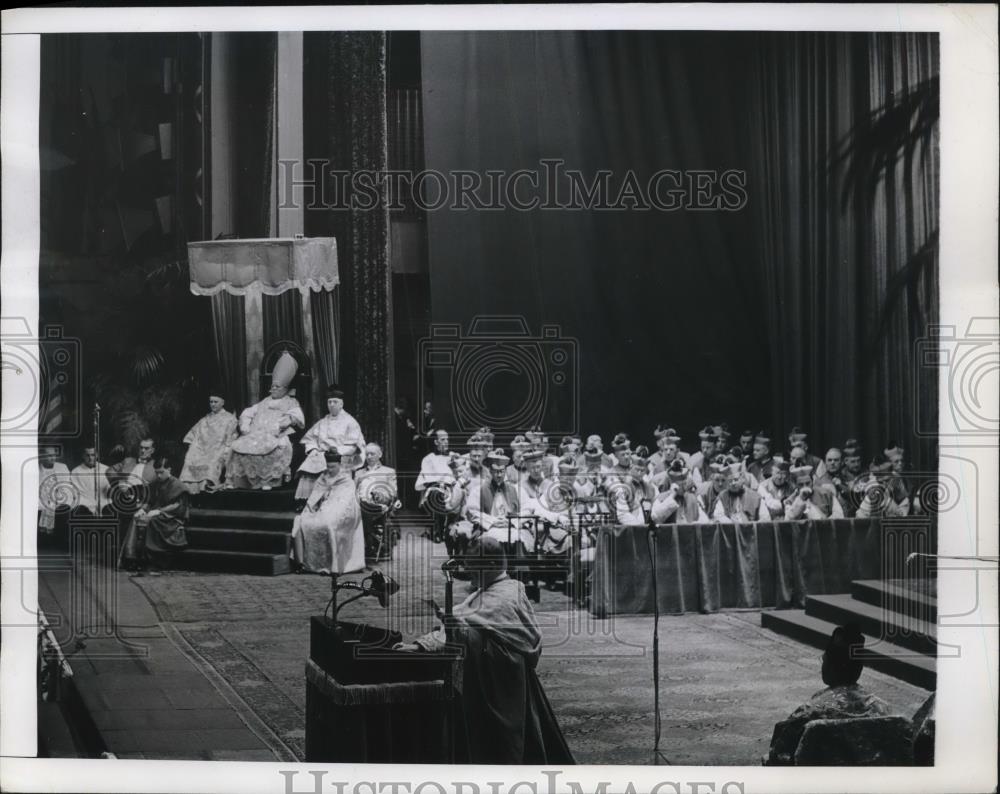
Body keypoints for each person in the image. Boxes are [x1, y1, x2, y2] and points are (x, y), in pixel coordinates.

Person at [393, 535, 575, 764]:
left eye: (471, 565)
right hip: (498, 677)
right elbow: (462, 622)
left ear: (490, 565)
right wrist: (424, 643)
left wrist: (433, 640)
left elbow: (467, 629)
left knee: (502, 744)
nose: (467, 571)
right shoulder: (496, 588)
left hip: (501, 682)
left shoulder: (502, 598)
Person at [766, 623, 893, 765]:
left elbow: (778, 753)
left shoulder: (811, 711)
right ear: (859, 668)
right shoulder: (883, 710)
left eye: (825, 659)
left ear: (830, 665)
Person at [227, 352, 305, 491]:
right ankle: (241, 482)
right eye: (272, 386)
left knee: (274, 449)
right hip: (255, 434)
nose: (273, 389)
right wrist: (245, 424)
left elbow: (295, 416)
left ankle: (267, 480)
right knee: (238, 448)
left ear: (285, 389)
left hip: (276, 434)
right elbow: (248, 412)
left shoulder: (291, 401)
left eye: (277, 387)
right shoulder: (265, 401)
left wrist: (282, 424)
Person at [291, 450, 365, 574]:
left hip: (341, 512)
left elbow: (346, 501)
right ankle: (303, 564)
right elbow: (315, 494)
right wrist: (311, 506)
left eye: (333, 467)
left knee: (329, 524)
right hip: (322, 509)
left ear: (339, 465)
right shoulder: (323, 477)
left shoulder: (346, 480)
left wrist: (332, 510)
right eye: (328, 467)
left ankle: (332, 565)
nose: (330, 470)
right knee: (300, 522)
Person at [119, 457, 189, 572]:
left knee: (150, 521)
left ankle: (152, 560)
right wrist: (142, 509)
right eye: (157, 473)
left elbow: (178, 506)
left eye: (161, 472)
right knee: (136, 518)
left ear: (169, 470)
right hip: (156, 514)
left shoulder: (179, 486)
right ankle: (131, 557)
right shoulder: (154, 484)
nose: (159, 476)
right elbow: (149, 501)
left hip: (172, 517)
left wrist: (160, 511)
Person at [295, 386, 366, 499]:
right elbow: (310, 439)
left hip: (340, 455)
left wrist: (337, 451)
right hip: (321, 453)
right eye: (329, 402)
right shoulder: (322, 422)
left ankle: (329, 499)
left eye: (335, 402)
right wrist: (313, 449)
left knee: (327, 464)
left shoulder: (350, 422)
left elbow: (354, 445)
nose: (332, 404)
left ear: (341, 404)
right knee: (309, 463)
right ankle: (309, 499)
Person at [179, 391, 238, 493]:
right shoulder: (206, 418)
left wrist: (226, 450)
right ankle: (188, 489)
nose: (213, 404)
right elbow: (194, 433)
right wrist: (193, 445)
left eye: (215, 402)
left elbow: (231, 437)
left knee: (211, 462)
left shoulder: (230, 418)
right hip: (202, 449)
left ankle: (204, 487)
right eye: (211, 402)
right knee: (191, 459)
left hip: (218, 449)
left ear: (222, 403)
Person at [355, 443, 400, 562]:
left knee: (366, 508)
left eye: (372, 454)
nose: (369, 457)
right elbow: (352, 491)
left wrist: (379, 495)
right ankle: (367, 545)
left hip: (380, 504)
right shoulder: (358, 473)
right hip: (360, 504)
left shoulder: (388, 471)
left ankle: (369, 545)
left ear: (380, 454)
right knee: (360, 507)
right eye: (367, 454)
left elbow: (393, 492)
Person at [415, 429, 456, 542]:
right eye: (443, 439)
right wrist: (442, 482)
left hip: (452, 488)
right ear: (436, 442)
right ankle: (437, 532)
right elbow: (428, 478)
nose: (446, 442)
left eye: (447, 439)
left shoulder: (453, 456)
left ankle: (449, 530)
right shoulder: (429, 459)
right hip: (435, 488)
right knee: (437, 494)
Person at [38, 446, 72, 539]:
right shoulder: (37, 469)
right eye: (49, 456)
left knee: (64, 508)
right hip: (41, 499)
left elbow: (67, 485)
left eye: (54, 455)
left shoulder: (62, 467)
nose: (53, 458)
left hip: (59, 498)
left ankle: (60, 541)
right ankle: (44, 541)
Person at [70, 446, 112, 516]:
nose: (90, 458)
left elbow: (109, 487)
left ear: (97, 455)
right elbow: (75, 493)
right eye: (87, 455)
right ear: (83, 456)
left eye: (93, 455)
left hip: (104, 503)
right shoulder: (76, 471)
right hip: (85, 504)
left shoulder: (106, 469)